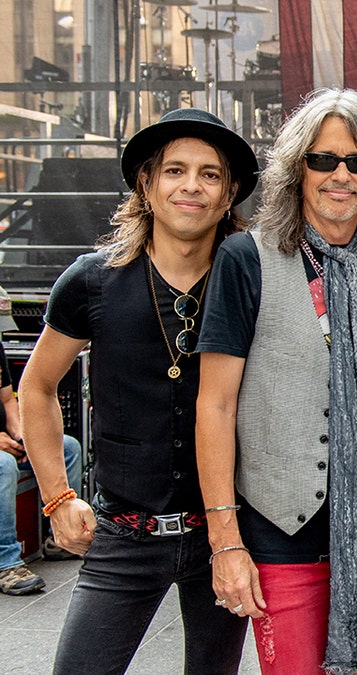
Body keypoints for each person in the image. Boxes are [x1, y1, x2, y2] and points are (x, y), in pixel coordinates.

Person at [18, 107, 257, 673]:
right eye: (175, 170)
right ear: (146, 185)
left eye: (210, 174)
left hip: (225, 533)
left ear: (228, 195)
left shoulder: (253, 282)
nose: (191, 186)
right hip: (123, 535)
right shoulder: (92, 280)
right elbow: (38, 386)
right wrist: (57, 497)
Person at [195, 88, 357, 675]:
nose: (341, 175)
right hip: (281, 531)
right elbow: (215, 406)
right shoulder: (247, 258)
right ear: (297, 169)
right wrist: (225, 541)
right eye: (323, 159)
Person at [0, 288, 83, 594]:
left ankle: (60, 538)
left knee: (68, 447)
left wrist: (21, 433)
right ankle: (6, 562)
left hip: (6, 440)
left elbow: (7, 401)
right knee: (3, 465)